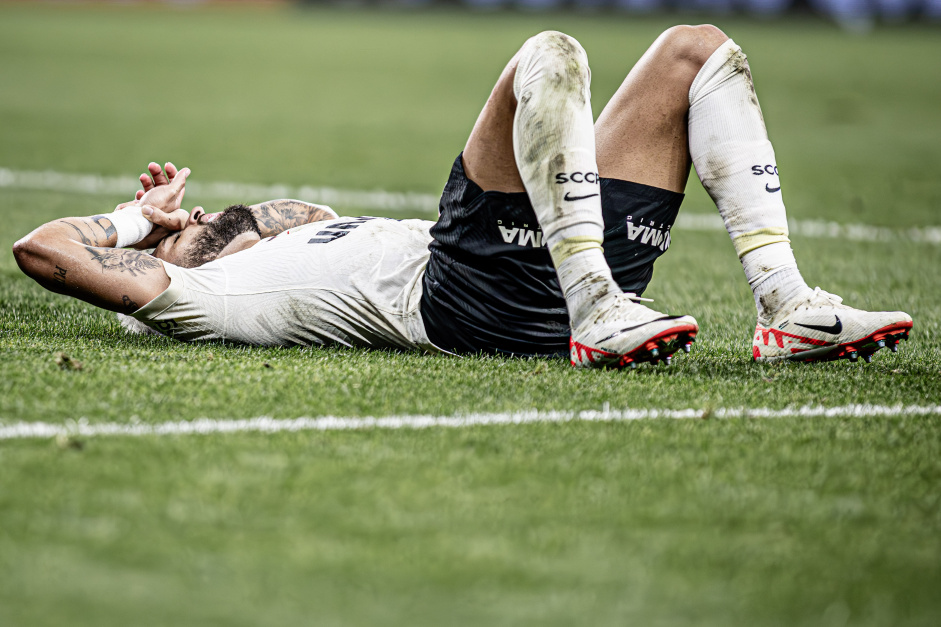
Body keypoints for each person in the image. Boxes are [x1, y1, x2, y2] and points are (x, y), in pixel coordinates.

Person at [13, 26, 912, 368]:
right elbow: (44, 248)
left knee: (695, 50)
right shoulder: (201, 300)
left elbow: (279, 216)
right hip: (471, 290)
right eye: (182, 230)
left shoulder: (288, 238)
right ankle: (597, 309)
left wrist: (180, 216)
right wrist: (139, 224)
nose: (197, 214)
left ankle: (785, 304)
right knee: (545, 59)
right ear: (151, 269)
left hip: (539, 257)